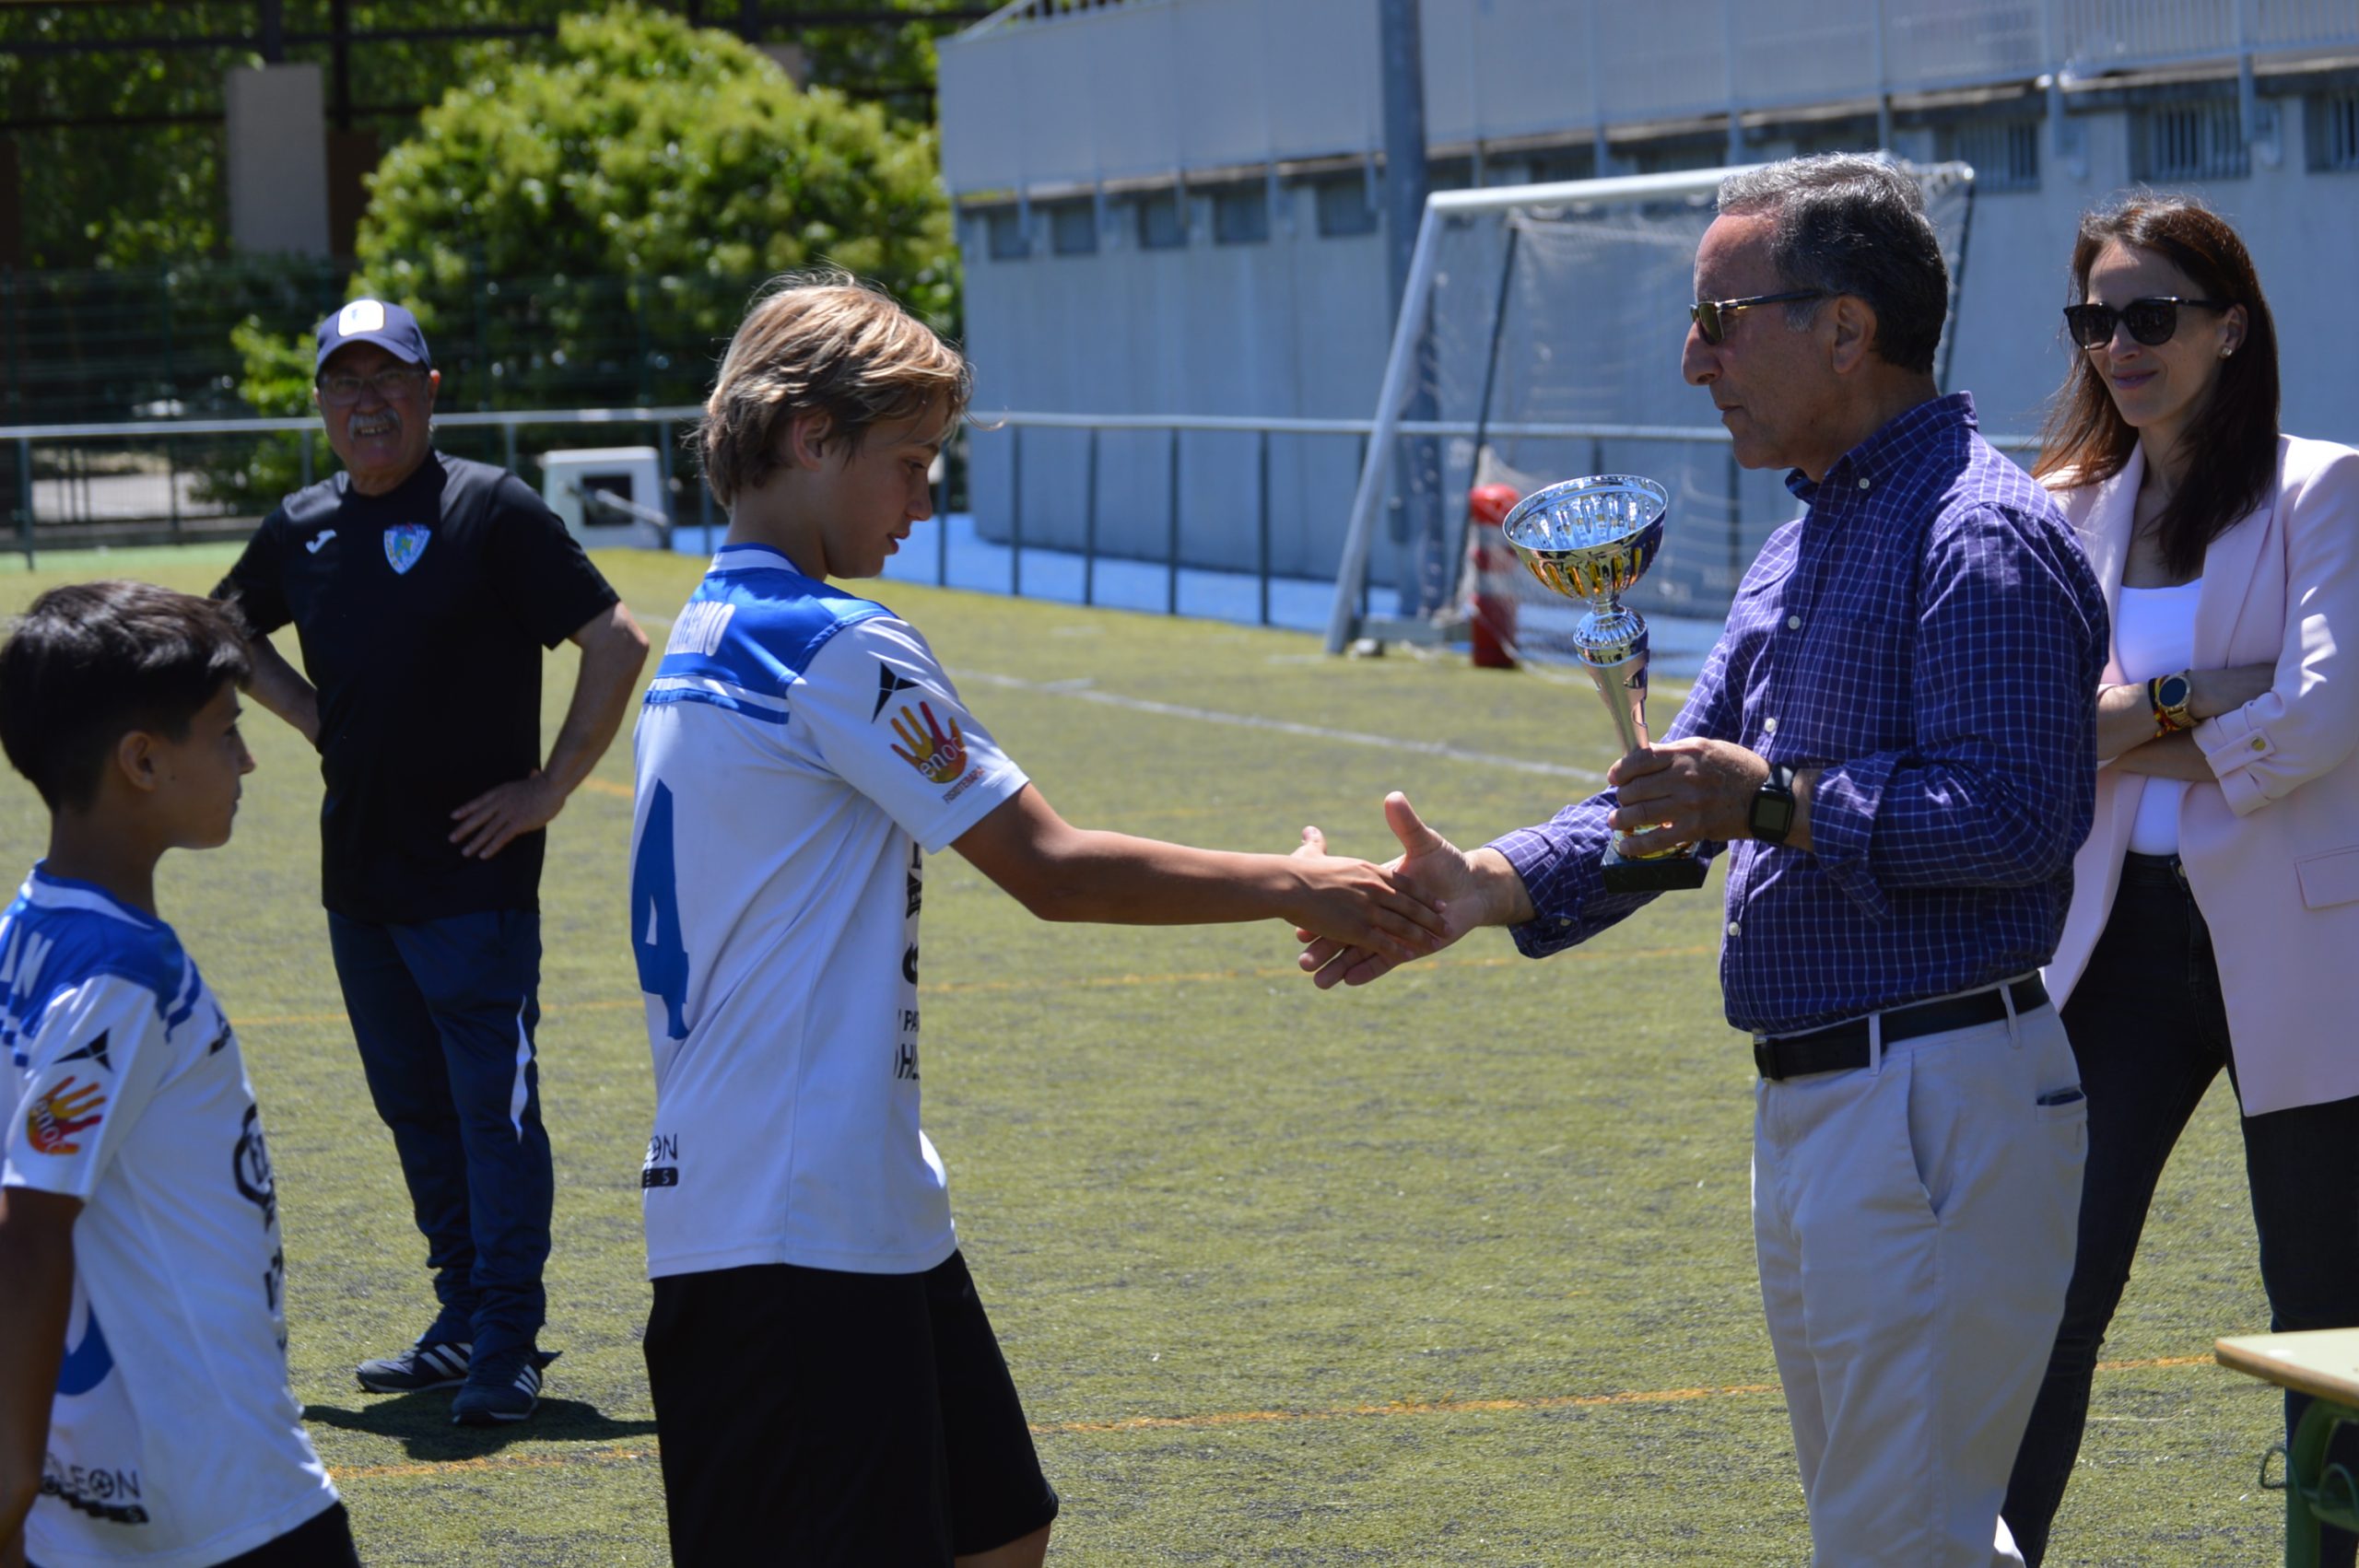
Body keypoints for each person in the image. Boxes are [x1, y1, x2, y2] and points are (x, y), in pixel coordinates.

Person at [1295, 155, 2108, 1567]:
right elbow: (1684, 800)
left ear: (1846, 330)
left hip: (1932, 1091)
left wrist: (1782, 804)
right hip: (1834, 1099)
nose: (1693, 360)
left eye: (1721, 319)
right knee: (1914, 1531)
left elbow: (2020, 818)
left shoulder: (1981, 533)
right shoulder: (1802, 542)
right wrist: (1480, 886)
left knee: (1896, 1539)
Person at [628, 271, 1445, 1566]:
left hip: (854, 1192)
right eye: (909, 460)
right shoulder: (830, 641)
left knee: (1002, 1523)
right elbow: (1052, 868)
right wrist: (1296, 883)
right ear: (810, 437)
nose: (925, 496)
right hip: (790, 1223)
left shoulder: (710, 628)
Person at [1997, 195, 2359, 1568]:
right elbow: (2029, 723)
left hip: (2310, 949)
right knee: (2051, 1291)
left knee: (2327, 1307)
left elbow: (2326, 717)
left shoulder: (2325, 487)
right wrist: (2204, 699)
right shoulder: (2055, 507)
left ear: (2231, 326)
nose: (2118, 344)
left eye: (2150, 315)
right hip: (2111, 951)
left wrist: (2121, 720)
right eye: (2095, 319)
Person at [214, 298, 651, 1425]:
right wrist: (315, 720)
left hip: (474, 884)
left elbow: (616, 639)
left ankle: (508, 1334)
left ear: (430, 388)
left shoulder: (487, 509)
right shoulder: (303, 524)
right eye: (343, 382)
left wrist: (549, 788)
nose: (367, 401)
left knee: (492, 1113)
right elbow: (221, 627)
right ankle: (461, 1316)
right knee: (414, 1109)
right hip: (357, 881)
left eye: (387, 379)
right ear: (319, 401)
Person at [0, 582, 359, 1568]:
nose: (246, 758)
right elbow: (27, 1234)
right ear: (143, 761)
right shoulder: (124, 979)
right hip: (219, 1503)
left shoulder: (21, 939)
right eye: (225, 732)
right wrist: (7, 1492)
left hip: (103, 1510)